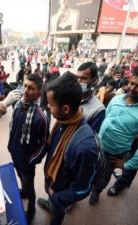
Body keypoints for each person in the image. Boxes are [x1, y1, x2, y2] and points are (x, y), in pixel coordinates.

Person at [37, 73, 100, 225]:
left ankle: (56, 213)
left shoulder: (85, 147)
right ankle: (52, 204)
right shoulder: (63, 121)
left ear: (65, 108)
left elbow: (82, 188)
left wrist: (58, 197)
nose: (48, 107)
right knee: (53, 203)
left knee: (57, 211)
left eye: (51, 105)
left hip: (60, 191)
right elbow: (51, 146)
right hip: (52, 182)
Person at [89, 66, 138, 205]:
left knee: (103, 177)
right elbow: (106, 120)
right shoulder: (116, 99)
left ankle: (96, 191)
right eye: (132, 83)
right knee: (90, 171)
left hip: (114, 155)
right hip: (98, 146)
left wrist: (128, 165)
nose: (132, 88)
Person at [8, 74, 48, 224]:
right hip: (15, 154)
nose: (25, 90)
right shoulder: (18, 105)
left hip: (27, 160)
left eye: (31, 88)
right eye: (24, 86)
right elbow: (13, 128)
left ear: (38, 93)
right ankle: (23, 192)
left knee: (30, 186)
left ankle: (31, 209)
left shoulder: (40, 117)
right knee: (21, 178)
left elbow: (44, 143)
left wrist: (32, 159)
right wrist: (10, 146)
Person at [76, 62, 105, 133]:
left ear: (93, 80)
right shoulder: (68, 97)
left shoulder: (98, 109)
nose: (78, 81)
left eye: (83, 78)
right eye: (77, 77)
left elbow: (91, 137)